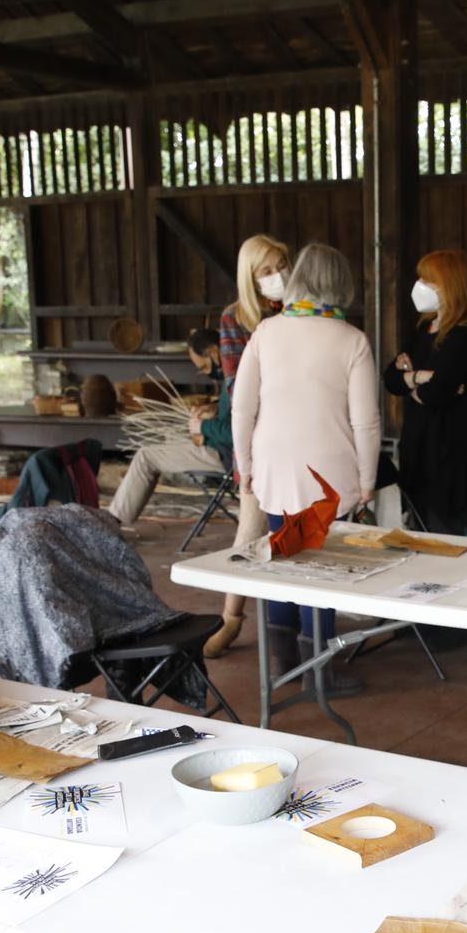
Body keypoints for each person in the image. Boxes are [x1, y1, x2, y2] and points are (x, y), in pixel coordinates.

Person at [230, 242, 381, 685]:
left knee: (281, 557)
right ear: (342, 285)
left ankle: (283, 665)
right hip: (330, 473)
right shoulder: (352, 340)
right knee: (321, 568)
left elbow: (243, 408)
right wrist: (368, 478)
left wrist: (246, 467)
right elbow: (366, 422)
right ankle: (320, 672)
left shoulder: (266, 332)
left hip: (275, 465)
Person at [200, 233, 290, 659]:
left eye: (281, 266)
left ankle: (300, 628)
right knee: (250, 530)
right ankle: (230, 619)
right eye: (267, 271)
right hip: (256, 439)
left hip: (301, 434)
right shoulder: (235, 319)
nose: (277, 277)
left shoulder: (301, 309)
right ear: (250, 278)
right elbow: (239, 387)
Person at [383, 249, 467, 535]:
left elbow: (435, 393)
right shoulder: (422, 330)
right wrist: (418, 378)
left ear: (450, 286)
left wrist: (413, 384)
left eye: (429, 280)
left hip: (450, 458)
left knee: (449, 538)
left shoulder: (466, 336)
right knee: (416, 531)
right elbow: (391, 379)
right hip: (417, 451)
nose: (420, 286)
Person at [106, 328, 226, 529]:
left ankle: (112, 522)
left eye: (205, 367)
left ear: (214, 353)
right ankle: (115, 518)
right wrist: (215, 406)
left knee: (145, 456)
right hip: (224, 450)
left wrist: (203, 427)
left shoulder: (236, 376)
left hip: (225, 455)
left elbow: (234, 433)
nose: (207, 373)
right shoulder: (239, 374)